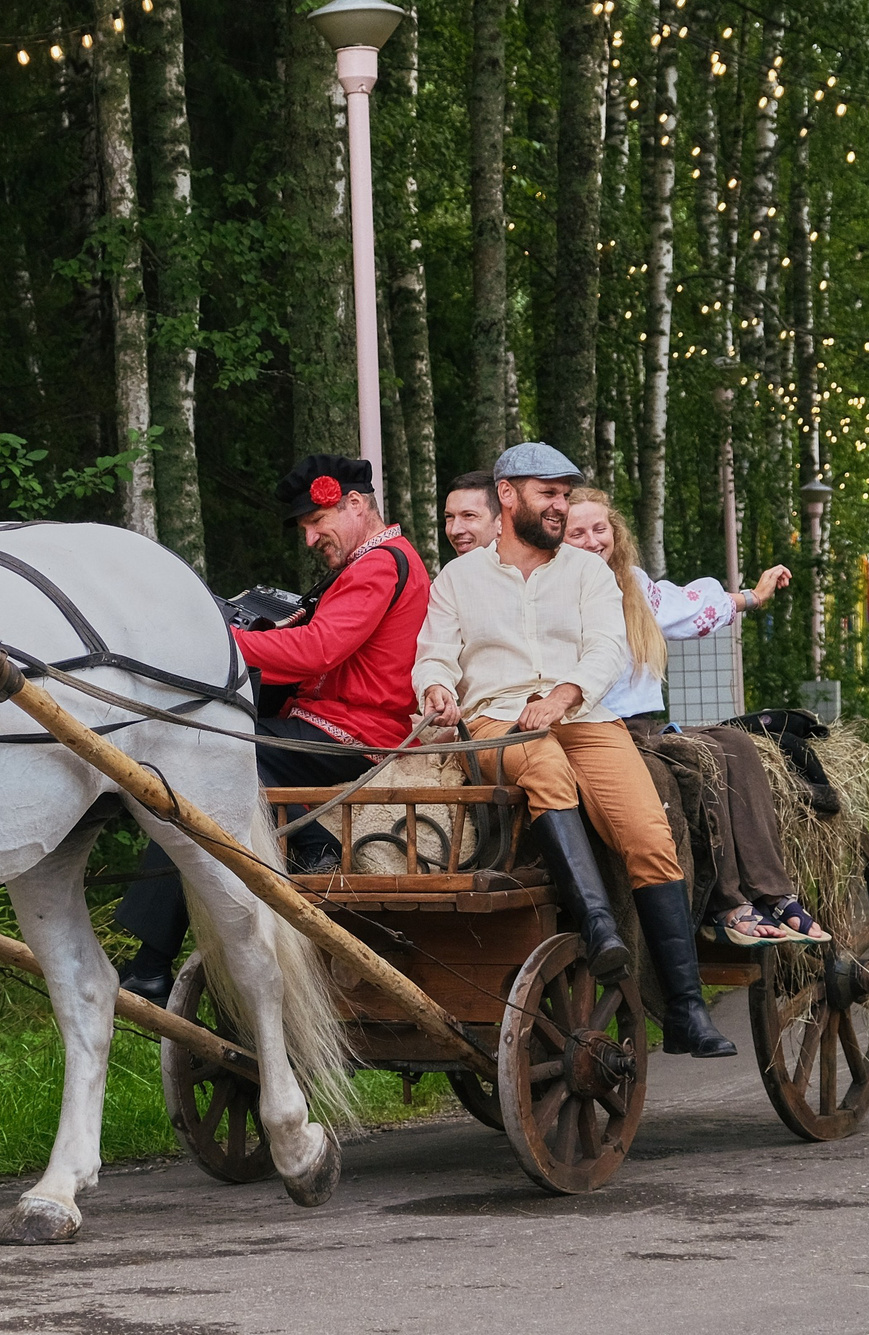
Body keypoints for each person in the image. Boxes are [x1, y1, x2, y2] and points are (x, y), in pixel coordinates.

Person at [414, 441, 736, 1057]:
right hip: (497, 723)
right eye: (548, 494)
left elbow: (608, 649)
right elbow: (435, 653)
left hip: (583, 716)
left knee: (649, 834)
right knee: (543, 765)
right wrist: (435, 688)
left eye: (564, 494)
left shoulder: (589, 573)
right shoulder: (458, 578)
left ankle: (688, 1011)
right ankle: (598, 925)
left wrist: (563, 696)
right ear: (508, 497)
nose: (560, 506)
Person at [115, 455, 429, 1003]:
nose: (309, 538)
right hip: (323, 728)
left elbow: (318, 650)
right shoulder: (368, 564)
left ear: (355, 504)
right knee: (201, 759)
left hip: (354, 737)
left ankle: (152, 961)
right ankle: (309, 845)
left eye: (315, 522)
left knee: (198, 770)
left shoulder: (379, 564)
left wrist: (213, 642)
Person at [561, 487, 825, 947]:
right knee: (699, 757)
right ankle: (723, 903)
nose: (591, 540)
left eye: (599, 529)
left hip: (645, 724)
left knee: (738, 744)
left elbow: (689, 609)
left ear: (614, 532)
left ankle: (774, 893)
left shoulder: (634, 584)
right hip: (602, 731)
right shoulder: (555, 592)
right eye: (576, 532)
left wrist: (753, 597)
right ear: (559, 539)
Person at [441, 470, 500, 557]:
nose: (454, 531)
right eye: (449, 517)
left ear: (501, 522)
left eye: (469, 515)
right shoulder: (451, 570)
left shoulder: (524, 569)